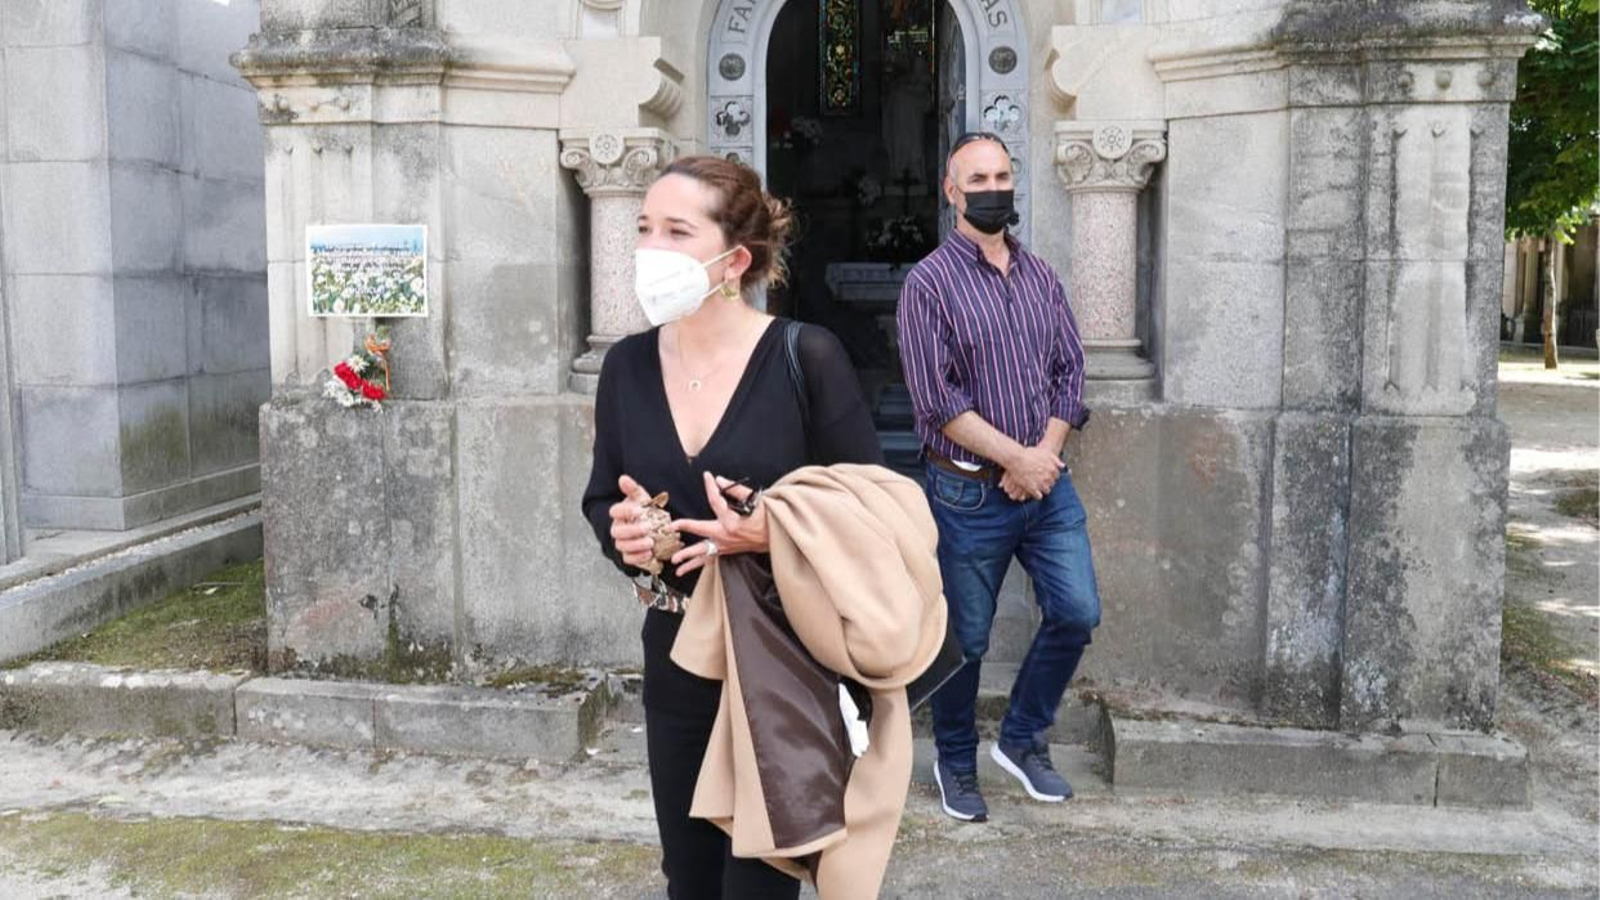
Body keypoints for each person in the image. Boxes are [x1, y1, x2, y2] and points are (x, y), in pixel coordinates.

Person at [581, 155, 883, 898]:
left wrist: (768, 532)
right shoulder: (625, 366)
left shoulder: (804, 356)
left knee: (759, 882)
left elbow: (870, 507)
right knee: (688, 878)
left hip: (780, 658)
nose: (650, 247)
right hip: (677, 652)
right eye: (644, 228)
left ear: (734, 259)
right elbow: (601, 498)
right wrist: (632, 536)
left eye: (676, 231)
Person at [895, 131, 1102, 823]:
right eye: (977, 178)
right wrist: (1017, 460)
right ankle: (955, 762)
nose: (993, 188)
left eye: (1003, 175)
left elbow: (1070, 371)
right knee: (968, 639)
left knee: (1076, 612)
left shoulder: (1041, 275)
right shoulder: (927, 284)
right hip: (966, 494)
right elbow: (937, 400)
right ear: (952, 192)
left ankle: (1020, 739)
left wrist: (1041, 457)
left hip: (1046, 487)